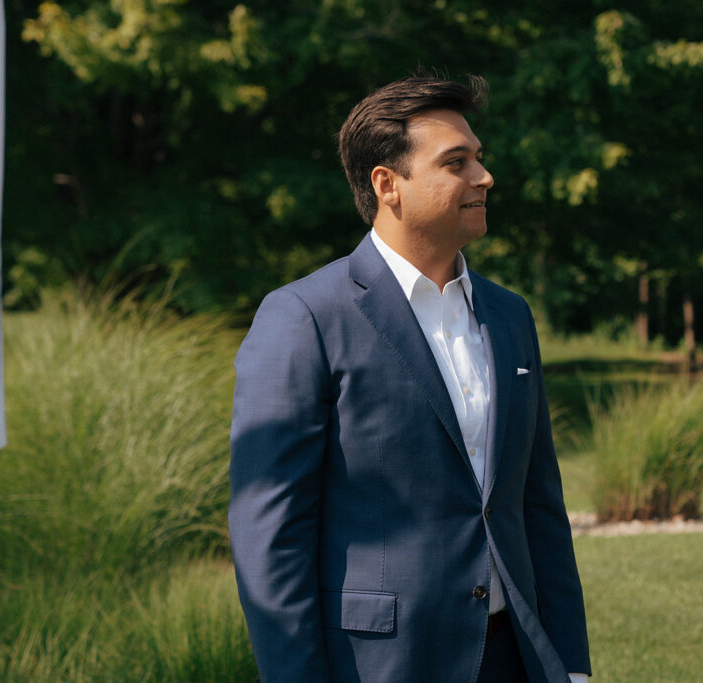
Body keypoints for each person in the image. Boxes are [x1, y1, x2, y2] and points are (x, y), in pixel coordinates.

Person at [229, 74, 591, 683]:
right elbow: (271, 533)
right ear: (387, 184)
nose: (484, 176)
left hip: (516, 659)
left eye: (479, 158)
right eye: (457, 162)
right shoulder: (304, 317)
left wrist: (571, 666)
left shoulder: (510, 316)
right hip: (380, 665)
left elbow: (538, 506)